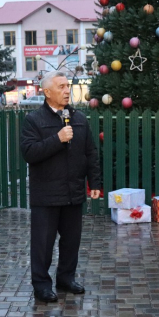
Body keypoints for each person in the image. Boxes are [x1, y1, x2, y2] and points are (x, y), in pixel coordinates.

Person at [20, 71, 101, 302]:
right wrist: (58, 139)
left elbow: (90, 152)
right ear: (47, 92)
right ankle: (41, 285)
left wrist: (94, 181)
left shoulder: (79, 118)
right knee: (43, 244)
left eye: (68, 86)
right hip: (46, 194)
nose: (67, 91)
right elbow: (29, 153)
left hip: (73, 192)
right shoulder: (33, 120)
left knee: (71, 242)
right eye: (61, 87)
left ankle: (66, 278)